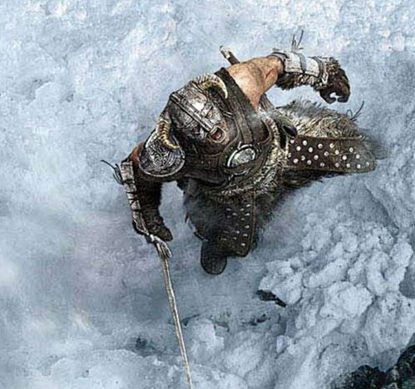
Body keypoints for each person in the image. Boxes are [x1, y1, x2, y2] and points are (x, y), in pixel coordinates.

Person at [115, 44, 378, 274]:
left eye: (216, 126)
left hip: (281, 148)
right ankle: (218, 243)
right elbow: (136, 169)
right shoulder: (168, 149)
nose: (216, 135)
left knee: (356, 149)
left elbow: (279, 63)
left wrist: (325, 73)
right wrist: (147, 214)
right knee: (232, 242)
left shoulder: (241, 84)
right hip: (227, 195)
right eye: (204, 135)